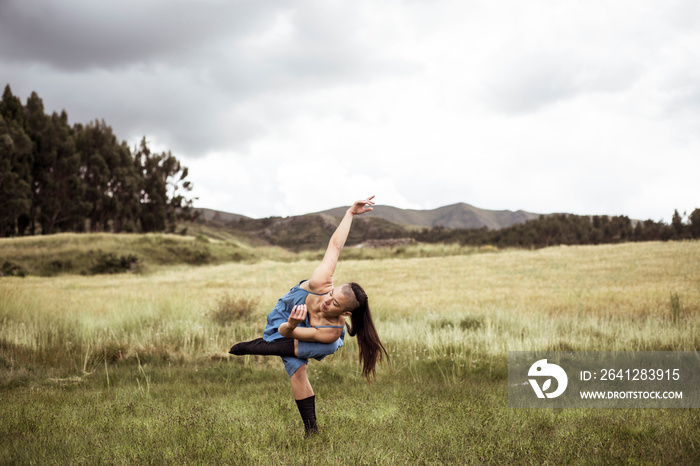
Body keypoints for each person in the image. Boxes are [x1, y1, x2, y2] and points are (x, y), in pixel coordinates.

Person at [229, 195, 389, 437]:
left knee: (320, 352)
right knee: (291, 360)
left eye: (333, 303)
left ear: (345, 314)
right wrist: (349, 214)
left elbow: (292, 336)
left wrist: (293, 328)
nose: (326, 300)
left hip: (312, 333)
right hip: (286, 317)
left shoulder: (331, 332)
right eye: (331, 294)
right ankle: (267, 348)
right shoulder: (321, 281)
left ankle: (310, 429)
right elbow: (335, 246)